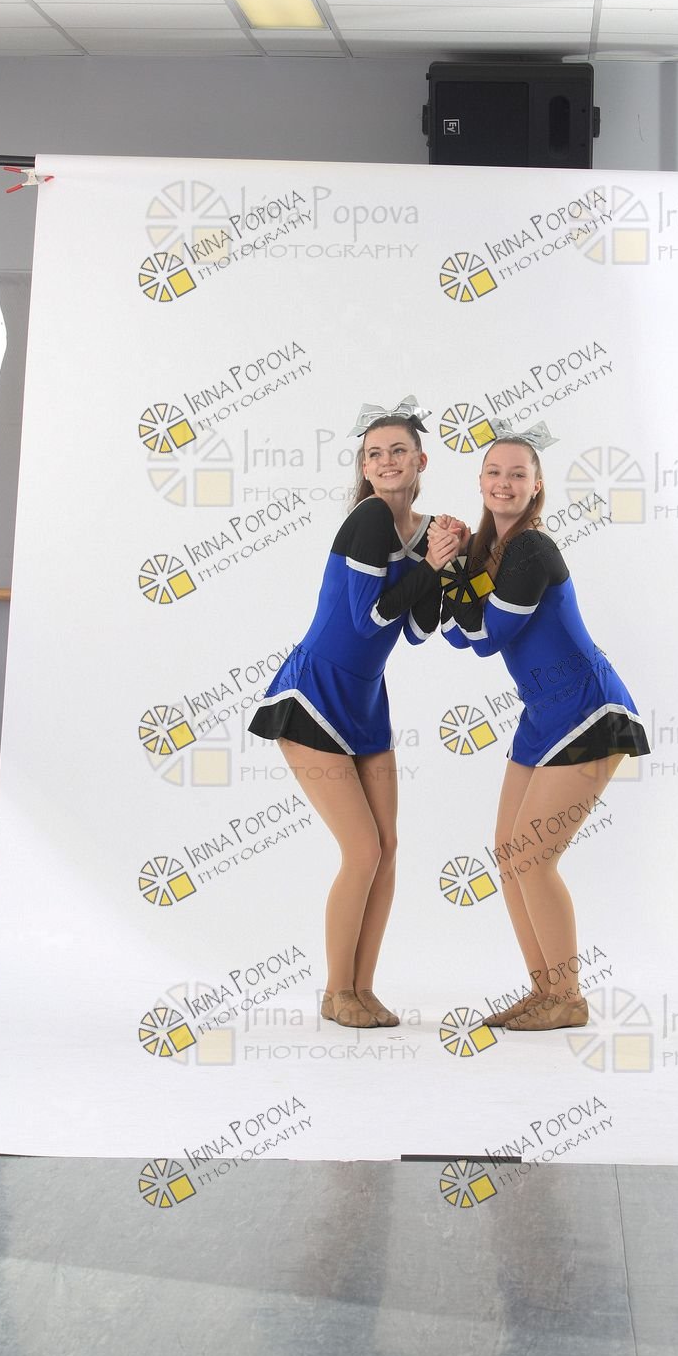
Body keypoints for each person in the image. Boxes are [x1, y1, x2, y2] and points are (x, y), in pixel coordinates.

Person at [248, 399, 461, 1029]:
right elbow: (370, 618)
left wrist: (447, 561)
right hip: (313, 695)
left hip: (367, 700)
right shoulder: (368, 518)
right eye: (375, 454)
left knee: (387, 848)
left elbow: (416, 630)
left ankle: (361, 990)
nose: (387, 461)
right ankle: (336, 991)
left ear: (421, 460)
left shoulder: (424, 529)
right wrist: (430, 566)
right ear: (364, 468)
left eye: (399, 451)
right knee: (362, 848)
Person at [435, 429, 649, 1031]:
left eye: (517, 474)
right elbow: (456, 634)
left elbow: (486, 637)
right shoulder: (492, 554)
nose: (504, 483)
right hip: (541, 716)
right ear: (481, 482)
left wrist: (450, 570)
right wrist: (457, 566)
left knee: (532, 857)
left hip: (587, 711)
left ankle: (568, 997)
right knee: (510, 856)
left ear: (536, 486)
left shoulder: (531, 549)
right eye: (494, 472)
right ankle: (544, 991)